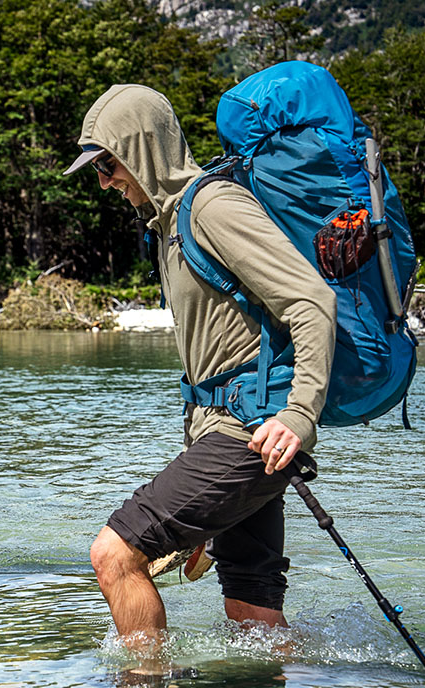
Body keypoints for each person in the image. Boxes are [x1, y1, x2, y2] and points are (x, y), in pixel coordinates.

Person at [63, 85, 337, 658]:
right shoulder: (167, 225)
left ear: (140, 149)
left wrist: (300, 414)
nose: (104, 180)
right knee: (252, 616)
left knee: (114, 555)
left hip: (255, 432)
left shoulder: (212, 207)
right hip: (235, 432)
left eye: (108, 163)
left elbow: (311, 301)